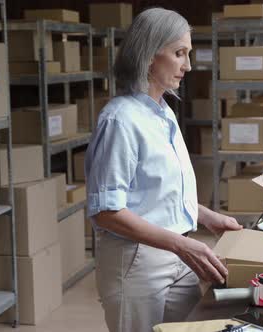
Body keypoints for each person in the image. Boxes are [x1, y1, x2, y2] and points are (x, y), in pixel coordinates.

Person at [84, 8, 242, 332]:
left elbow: (159, 193)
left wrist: (206, 217)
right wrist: (180, 244)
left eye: (189, 54)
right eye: (179, 53)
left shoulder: (163, 112)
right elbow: (107, 211)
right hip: (137, 261)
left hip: (176, 253)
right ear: (149, 56)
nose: (188, 66)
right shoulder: (120, 120)